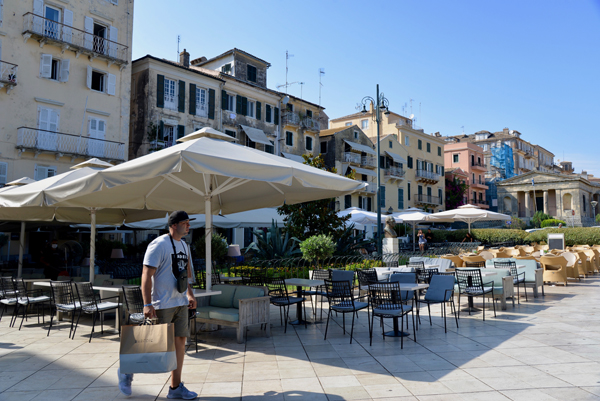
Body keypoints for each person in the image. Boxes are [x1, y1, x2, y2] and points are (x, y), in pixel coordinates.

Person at [118, 211, 198, 399]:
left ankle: (175, 387)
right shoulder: (158, 245)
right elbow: (146, 275)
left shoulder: (185, 246)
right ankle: (125, 370)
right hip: (161, 303)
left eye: (188, 223)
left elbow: (184, 275)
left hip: (180, 302)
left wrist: (190, 294)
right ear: (173, 225)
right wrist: (147, 303)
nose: (188, 226)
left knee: (180, 344)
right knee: (153, 346)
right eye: (185, 223)